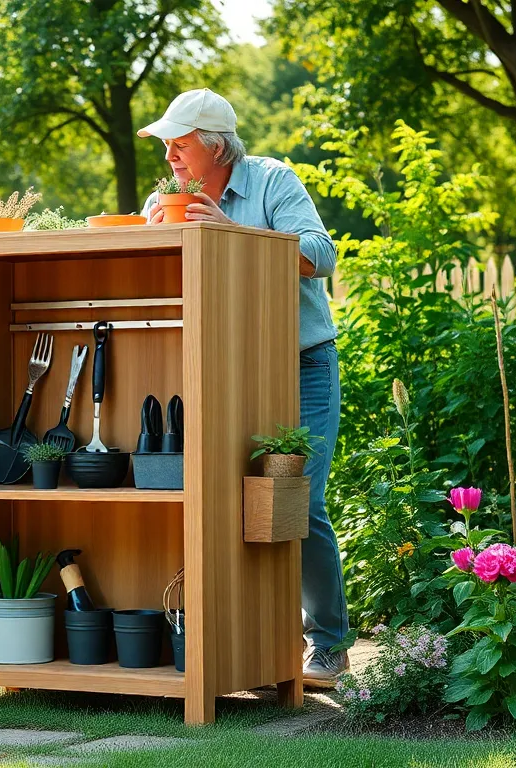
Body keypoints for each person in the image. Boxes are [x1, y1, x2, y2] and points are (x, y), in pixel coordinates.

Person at [139, 88, 349, 688]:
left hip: (301, 366)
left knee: (294, 503)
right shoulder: (172, 196)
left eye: (180, 144)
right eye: (169, 146)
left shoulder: (271, 182)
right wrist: (156, 233)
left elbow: (320, 253)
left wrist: (232, 231)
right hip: (224, 371)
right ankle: (250, 642)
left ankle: (327, 643)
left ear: (214, 145)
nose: (172, 155)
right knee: (226, 503)